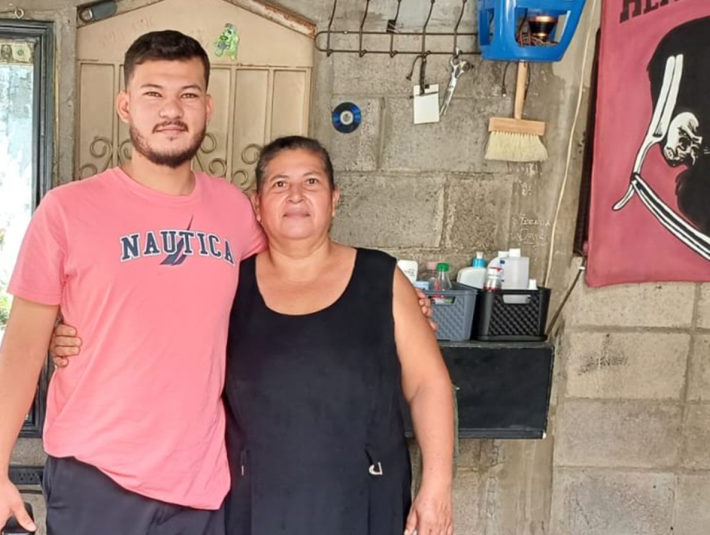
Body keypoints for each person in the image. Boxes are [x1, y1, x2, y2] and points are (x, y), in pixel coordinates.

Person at [53, 136, 456, 534]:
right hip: (256, 502)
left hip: (366, 497)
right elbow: (155, 332)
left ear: (335, 198)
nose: (296, 195)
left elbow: (428, 384)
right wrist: (75, 337)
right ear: (256, 204)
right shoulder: (228, 282)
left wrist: (436, 488)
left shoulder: (380, 278)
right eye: (279, 184)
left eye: (311, 182)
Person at [0, 30, 264, 535]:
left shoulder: (234, 211)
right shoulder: (67, 210)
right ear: (126, 105)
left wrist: (389, 298)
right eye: (153, 93)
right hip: (96, 478)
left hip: (199, 481)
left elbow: (291, 284)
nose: (171, 110)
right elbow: (21, 347)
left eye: (188, 95)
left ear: (208, 107)